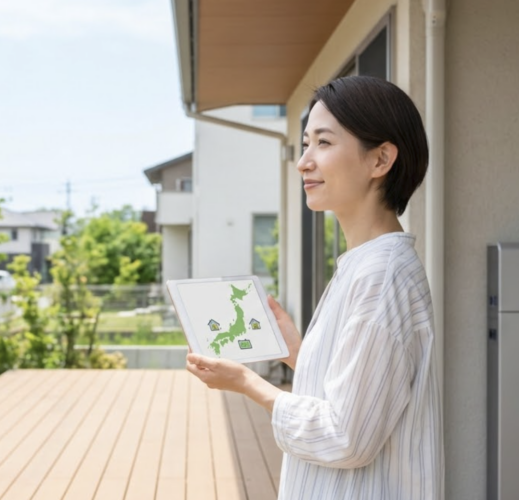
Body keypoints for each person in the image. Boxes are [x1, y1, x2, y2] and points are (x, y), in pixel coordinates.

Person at [185, 75, 443, 499]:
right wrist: (296, 355)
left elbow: (346, 436)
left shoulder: (381, 275)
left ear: (380, 160)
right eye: (306, 143)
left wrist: (249, 384)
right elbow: (363, 394)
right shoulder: (366, 263)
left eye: (323, 143)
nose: (305, 161)